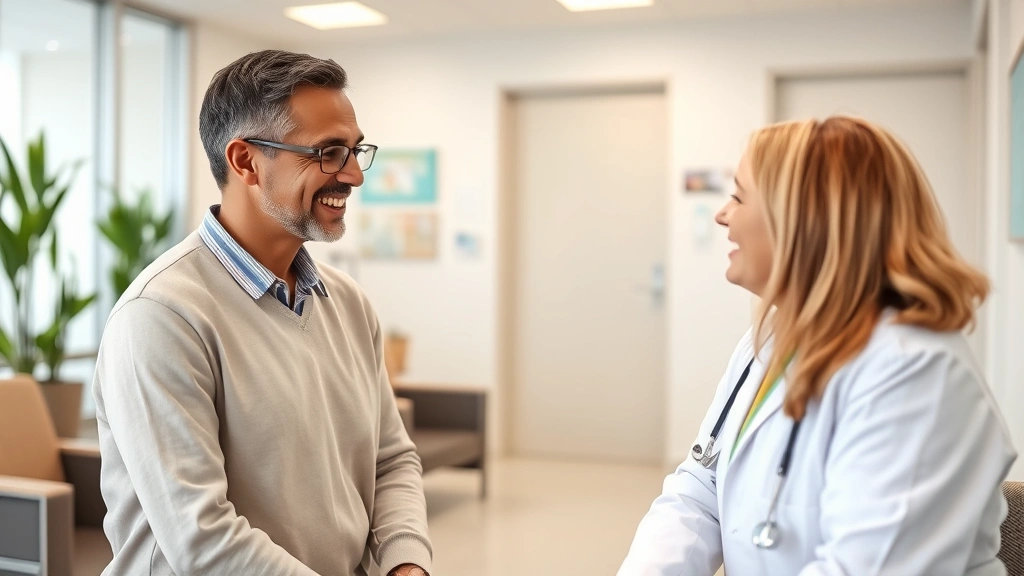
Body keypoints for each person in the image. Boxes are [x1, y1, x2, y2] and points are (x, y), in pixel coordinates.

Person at [618, 116, 1017, 575]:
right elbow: (700, 488)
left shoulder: (917, 373)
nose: (722, 214)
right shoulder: (769, 340)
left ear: (804, 221)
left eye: (739, 196)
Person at [92, 50, 431, 576]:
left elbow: (391, 460)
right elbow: (202, 539)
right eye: (328, 152)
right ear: (246, 161)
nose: (353, 176)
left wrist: (405, 563)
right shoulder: (160, 317)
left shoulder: (348, 304)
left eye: (355, 150)